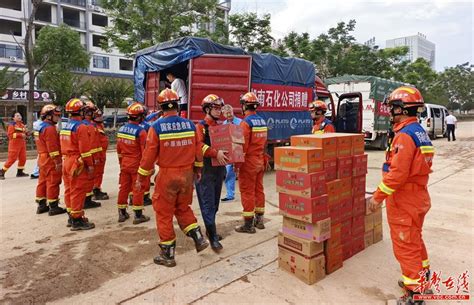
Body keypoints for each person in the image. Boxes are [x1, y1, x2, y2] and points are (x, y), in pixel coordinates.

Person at [366, 86, 434, 305]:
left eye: (393, 107)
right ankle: (422, 280)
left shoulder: (405, 136)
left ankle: (415, 293)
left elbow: (397, 174)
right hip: (418, 196)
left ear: (403, 109)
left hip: (405, 198)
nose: (390, 112)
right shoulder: (419, 132)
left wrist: (377, 197)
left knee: (405, 244)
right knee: (415, 239)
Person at [136, 88, 208, 267]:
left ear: (161, 107)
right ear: (177, 104)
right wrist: (198, 169)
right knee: (183, 207)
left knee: (163, 212)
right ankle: (198, 237)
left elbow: (149, 155)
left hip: (167, 175)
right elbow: (198, 150)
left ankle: (168, 254)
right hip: (186, 174)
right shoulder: (190, 125)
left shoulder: (156, 127)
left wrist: (141, 177)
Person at [195, 94, 229, 252]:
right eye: (215, 108)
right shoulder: (200, 127)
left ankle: (211, 230)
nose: (218, 111)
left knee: (215, 204)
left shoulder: (221, 125)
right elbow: (199, 144)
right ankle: (213, 238)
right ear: (207, 109)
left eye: (219, 108)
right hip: (206, 170)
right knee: (208, 204)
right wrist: (215, 153)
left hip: (218, 170)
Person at [235, 92, 269, 234]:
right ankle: (259, 220)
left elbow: (242, 146)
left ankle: (248, 225)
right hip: (260, 159)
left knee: (247, 191)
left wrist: (237, 164)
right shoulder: (261, 121)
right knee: (258, 189)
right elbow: (265, 142)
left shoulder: (246, 123)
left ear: (244, 106)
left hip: (249, 161)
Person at [60, 98, 95, 230]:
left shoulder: (66, 126)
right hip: (77, 162)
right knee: (78, 191)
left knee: (69, 189)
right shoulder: (81, 127)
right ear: (81, 112)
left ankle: (71, 215)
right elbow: (85, 151)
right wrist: (90, 165)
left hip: (67, 161)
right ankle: (77, 220)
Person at [116, 102, 151, 224]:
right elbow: (145, 152)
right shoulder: (141, 132)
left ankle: (121, 212)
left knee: (124, 188)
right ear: (140, 117)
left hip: (125, 163)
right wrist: (147, 167)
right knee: (138, 189)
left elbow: (118, 150)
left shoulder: (121, 129)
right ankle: (138, 215)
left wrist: (121, 163)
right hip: (136, 165)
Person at [34, 104, 67, 216]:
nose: (58, 118)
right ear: (48, 116)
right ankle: (53, 206)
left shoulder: (40, 127)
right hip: (50, 159)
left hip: (42, 158)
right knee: (53, 181)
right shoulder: (50, 129)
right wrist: (57, 161)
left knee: (42, 182)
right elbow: (53, 148)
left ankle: (41, 205)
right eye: (56, 116)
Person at [82, 101, 102, 208]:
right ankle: (87, 200)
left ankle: (85, 199)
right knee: (89, 178)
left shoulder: (81, 124)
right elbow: (93, 144)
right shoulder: (89, 126)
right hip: (90, 156)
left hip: (82, 157)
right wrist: (96, 158)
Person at [221, 104, 242, 202]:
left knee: (242, 173)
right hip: (229, 151)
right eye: (226, 114)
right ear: (223, 114)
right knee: (229, 172)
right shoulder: (223, 124)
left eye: (230, 113)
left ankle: (245, 193)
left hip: (239, 150)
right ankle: (230, 194)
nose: (229, 115)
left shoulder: (240, 123)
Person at [0, 112, 29, 179]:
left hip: (22, 144)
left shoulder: (22, 125)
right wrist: (20, 135)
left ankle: (20, 172)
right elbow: (10, 135)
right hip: (14, 144)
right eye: (17, 115)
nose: (19, 116)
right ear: (13, 118)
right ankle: (2, 172)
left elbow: (25, 134)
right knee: (12, 159)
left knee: (23, 158)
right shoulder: (12, 125)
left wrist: (27, 133)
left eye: (20, 115)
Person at [92, 108, 110, 200]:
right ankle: (96, 191)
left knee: (99, 173)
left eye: (100, 116)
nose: (100, 118)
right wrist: (96, 157)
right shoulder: (93, 127)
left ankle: (96, 189)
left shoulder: (99, 125)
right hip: (97, 154)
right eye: (97, 116)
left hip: (101, 153)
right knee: (97, 173)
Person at [30, 112, 43, 179]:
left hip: (38, 142)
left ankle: (36, 172)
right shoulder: (39, 124)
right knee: (41, 157)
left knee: (40, 157)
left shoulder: (35, 123)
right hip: (41, 143)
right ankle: (36, 173)